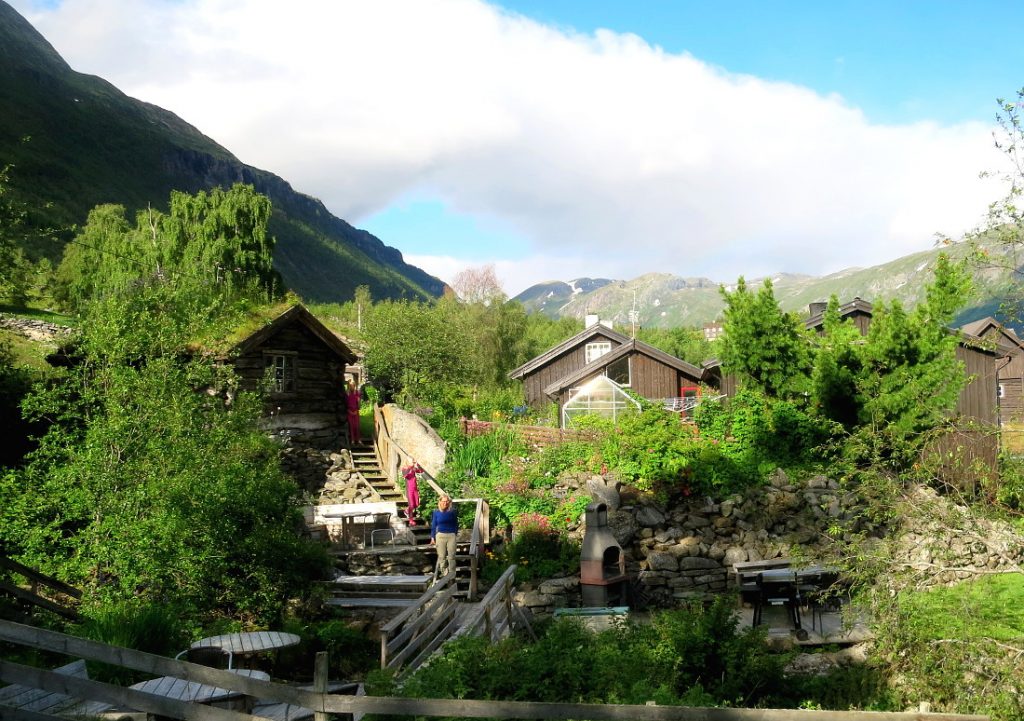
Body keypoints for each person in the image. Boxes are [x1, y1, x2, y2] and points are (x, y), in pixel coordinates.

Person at [429, 494, 458, 577]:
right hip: (440, 536)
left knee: (451, 556)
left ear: (449, 502)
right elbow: (434, 525)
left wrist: (454, 533)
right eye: (443, 501)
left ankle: (452, 574)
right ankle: (445, 574)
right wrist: (432, 537)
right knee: (441, 557)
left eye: (446, 501)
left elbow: (456, 524)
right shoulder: (436, 512)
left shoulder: (453, 512)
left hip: (451, 536)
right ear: (440, 502)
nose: (445, 503)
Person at [345, 379, 362, 445]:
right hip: (349, 411)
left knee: (357, 426)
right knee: (351, 426)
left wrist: (358, 402)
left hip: (356, 411)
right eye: (351, 385)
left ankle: (359, 440)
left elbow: (359, 404)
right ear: (349, 386)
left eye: (354, 385)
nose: (352, 387)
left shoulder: (357, 393)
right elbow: (345, 404)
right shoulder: (347, 393)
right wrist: (349, 411)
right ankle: (352, 440)